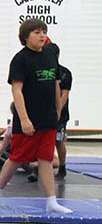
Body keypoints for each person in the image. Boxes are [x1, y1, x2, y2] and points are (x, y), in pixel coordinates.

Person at [0, 19, 72, 214]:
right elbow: (17, 90)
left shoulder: (51, 54)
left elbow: (55, 83)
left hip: (49, 118)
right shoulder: (21, 59)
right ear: (26, 37)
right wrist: (24, 119)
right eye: (36, 32)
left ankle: (51, 200)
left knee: (46, 159)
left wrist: (58, 109)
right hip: (29, 119)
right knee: (16, 157)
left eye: (44, 31)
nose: (42, 35)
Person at [45, 42, 72, 180]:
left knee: (58, 140)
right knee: (43, 140)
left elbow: (64, 95)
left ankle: (62, 167)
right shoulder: (44, 71)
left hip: (59, 114)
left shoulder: (64, 73)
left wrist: (58, 111)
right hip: (44, 111)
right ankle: (38, 167)